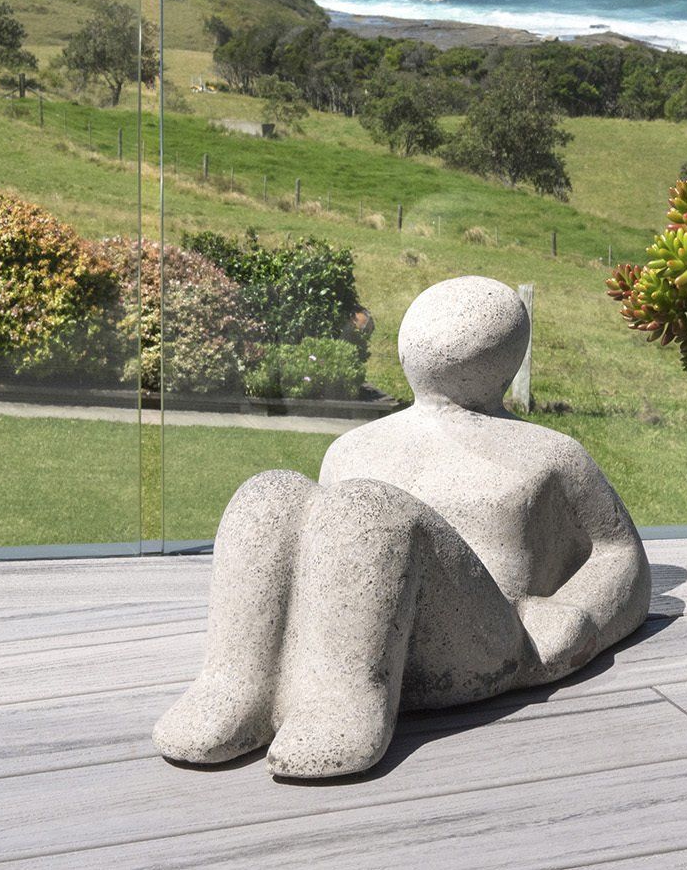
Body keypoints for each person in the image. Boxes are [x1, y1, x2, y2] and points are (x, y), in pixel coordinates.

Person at [153, 276, 650, 779]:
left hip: (484, 637)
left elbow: (620, 554)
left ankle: (344, 699)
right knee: (267, 496)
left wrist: (575, 614)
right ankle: (235, 686)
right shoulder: (352, 448)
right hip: (339, 641)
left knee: (365, 512)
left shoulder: (550, 455)